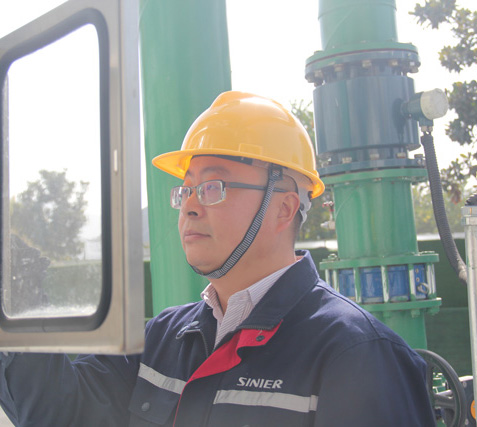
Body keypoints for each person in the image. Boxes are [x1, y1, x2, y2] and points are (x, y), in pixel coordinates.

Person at [0, 91, 435, 426]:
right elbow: (61, 413)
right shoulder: (162, 340)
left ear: (283, 208)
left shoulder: (356, 355)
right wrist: (17, 297)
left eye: (213, 187)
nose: (190, 206)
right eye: (186, 189)